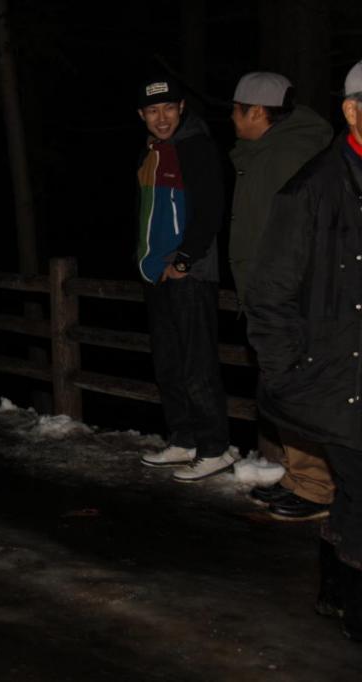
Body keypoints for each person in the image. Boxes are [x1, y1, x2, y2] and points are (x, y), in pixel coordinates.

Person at [245, 60, 362, 642]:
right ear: (352, 111)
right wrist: (290, 372)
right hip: (334, 375)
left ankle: (334, 588)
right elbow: (268, 295)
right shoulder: (312, 190)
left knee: (355, 495)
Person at [227, 71, 335, 519]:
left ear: (256, 111)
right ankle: (297, 476)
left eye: (236, 110)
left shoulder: (288, 154)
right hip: (272, 294)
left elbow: (296, 233)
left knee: (295, 388)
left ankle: (315, 487)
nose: (231, 118)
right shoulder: (269, 151)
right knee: (282, 388)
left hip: (287, 297)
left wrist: (280, 293)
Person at [132, 77, 236, 481]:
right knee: (169, 360)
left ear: (181, 109)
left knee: (197, 362)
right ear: (142, 115)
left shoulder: (196, 147)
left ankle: (215, 447)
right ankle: (184, 438)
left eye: (169, 109)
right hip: (157, 271)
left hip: (189, 272)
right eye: (153, 111)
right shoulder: (154, 151)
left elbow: (210, 208)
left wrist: (184, 260)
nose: (162, 118)